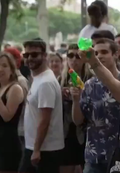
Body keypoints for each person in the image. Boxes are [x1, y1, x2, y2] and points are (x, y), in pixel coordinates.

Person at [71, 39, 120, 173]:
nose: (99, 56)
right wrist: (76, 100)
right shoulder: (90, 85)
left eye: (104, 52)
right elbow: (78, 120)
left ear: (115, 55)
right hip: (94, 157)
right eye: (96, 52)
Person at [19, 38, 64, 173]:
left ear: (45, 56)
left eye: (34, 55)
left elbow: (45, 119)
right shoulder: (40, 78)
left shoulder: (46, 82)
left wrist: (36, 149)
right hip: (36, 147)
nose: (29, 58)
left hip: (44, 150)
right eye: (26, 55)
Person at [58, 44, 93, 173]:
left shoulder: (91, 78)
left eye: (77, 56)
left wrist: (81, 93)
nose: (74, 59)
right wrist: (61, 94)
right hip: (67, 130)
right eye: (70, 55)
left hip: (86, 131)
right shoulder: (61, 78)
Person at [0, 52, 25, 173]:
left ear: (11, 69)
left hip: (8, 144)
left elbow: (7, 116)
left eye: (4, 65)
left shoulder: (15, 88)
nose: (0, 69)